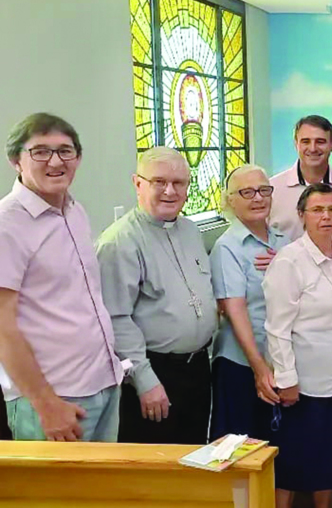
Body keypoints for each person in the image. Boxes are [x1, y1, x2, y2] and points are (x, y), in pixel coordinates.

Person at [0, 113, 123, 441]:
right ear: (16, 161)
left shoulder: (73, 210)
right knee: (53, 494)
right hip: (53, 400)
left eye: (65, 151)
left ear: (78, 158)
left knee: (99, 493)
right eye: (40, 151)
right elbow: (3, 327)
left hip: (104, 384)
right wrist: (45, 403)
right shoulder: (7, 224)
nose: (55, 161)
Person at [95, 147, 217, 444]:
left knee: (194, 456)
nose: (169, 191)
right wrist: (145, 380)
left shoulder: (189, 230)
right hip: (154, 373)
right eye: (159, 182)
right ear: (138, 183)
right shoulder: (120, 242)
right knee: (158, 470)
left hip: (197, 368)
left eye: (179, 183)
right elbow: (115, 319)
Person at [263, 183, 332, 508]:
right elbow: (277, 328)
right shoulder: (290, 261)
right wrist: (286, 379)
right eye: (318, 210)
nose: (326, 216)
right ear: (302, 216)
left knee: (330, 461)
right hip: (302, 384)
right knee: (292, 462)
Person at [208, 165, 289, 441]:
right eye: (247, 192)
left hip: (276, 359)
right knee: (241, 447)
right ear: (230, 199)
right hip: (241, 364)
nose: (258, 198)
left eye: (264, 190)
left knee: (273, 445)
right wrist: (259, 367)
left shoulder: (282, 240)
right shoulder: (228, 247)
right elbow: (234, 309)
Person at [269, 115, 332, 241]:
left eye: (320, 142)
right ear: (296, 144)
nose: (313, 148)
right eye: (305, 141)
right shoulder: (272, 189)